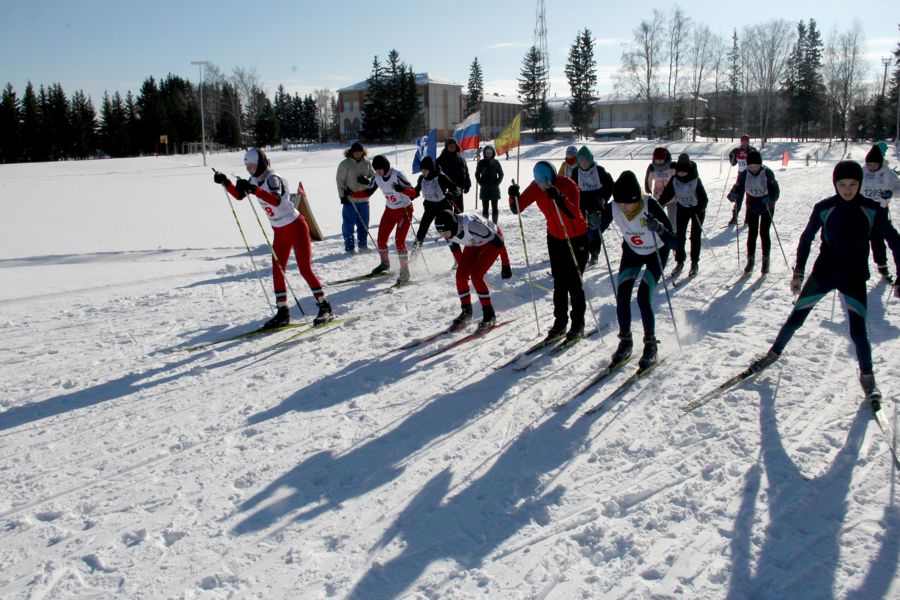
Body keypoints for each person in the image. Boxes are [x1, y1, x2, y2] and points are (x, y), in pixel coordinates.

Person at [745, 161, 900, 407]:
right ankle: (772, 354)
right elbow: (806, 239)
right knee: (796, 318)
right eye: (842, 184)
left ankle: (868, 377)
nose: (847, 190)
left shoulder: (872, 210)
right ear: (834, 184)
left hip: (854, 277)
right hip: (824, 274)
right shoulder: (824, 208)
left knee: (858, 331)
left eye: (853, 185)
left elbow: (894, 241)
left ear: (860, 184)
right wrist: (798, 272)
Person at [213, 148, 333, 329]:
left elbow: (276, 200)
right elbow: (239, 196)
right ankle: (282, 311)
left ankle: (325, 306)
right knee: (278, 270)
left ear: (261, 163)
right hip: (279, 230)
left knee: (304, 268)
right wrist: (226, 182)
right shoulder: (255, 179)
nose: (250, 170)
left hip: (296, 226)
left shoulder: (272, 178)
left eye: (252, 166)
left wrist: (254, 189)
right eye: (247, 167)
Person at [596, 171, 676, 369]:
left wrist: (658, 228)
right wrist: (593, 224)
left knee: (642, 296)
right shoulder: (614, 206)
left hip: (656, 252)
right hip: (632, 252)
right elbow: (593, 236)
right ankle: (625, 341)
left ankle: (650, 345)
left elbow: (675, 242)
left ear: (636, 198)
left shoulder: (650, 205)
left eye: (627, 203)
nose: (623, 208)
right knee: (622, 295)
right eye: (620, 203)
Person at [508, 161, 588, 342]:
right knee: (559, 282)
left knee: (574, 282)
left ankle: (578, 323)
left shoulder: (568, 185)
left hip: (576, 237)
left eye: (545, 184)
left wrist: (559, 197)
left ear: (552, 177)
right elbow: (517, 208)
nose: (543, 188)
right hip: (554, 237)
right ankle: (560, 322)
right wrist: (513, 196)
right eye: (540, 184)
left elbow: (573, 213)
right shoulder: (536, 187)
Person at [434, 209, 512, 331]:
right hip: (474, 243)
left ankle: (489, 315)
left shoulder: (472, 225)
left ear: (453, 227)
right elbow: (456, 251)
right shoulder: (449, 231)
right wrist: (464, 271)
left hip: (492, 242)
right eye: (440, 233)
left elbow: (499, 242)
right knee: (460, 276)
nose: (443, 236)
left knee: (476, 275)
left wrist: (506, 264)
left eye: (445, 232)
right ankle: (466, 312)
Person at [348, 155, 417, 285]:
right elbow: (368, 192)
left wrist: (402, 189)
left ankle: (405, 271)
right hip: (390, 211)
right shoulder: (377, 177)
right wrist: (352, 194)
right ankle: (385, 263)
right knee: (381, 239)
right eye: (376, 170)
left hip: (404, 211)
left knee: (399, 241)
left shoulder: (397, 175)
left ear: (386, 167)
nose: (378, 172)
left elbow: (414, 193)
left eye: (380, 169)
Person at [727, 150, 781, 274]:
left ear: (760, 164)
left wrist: (771, 198)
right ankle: (750, 260)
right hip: (752, 205)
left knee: (764, 232)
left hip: (766, 205)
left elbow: (775, 190)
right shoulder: (745, 174)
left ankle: (765, 259)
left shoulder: (767, 172)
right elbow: (738, 186)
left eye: (756, 166)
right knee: (752, 233)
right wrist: (733, 194)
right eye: (751, 166)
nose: (753, 168)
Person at [659, 153, 709, 278]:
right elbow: (667, 193)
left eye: (683, 172)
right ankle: (680, 261)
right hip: (682, 209)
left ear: (688, 170)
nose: (681, 174)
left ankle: (694, 263)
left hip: (696, 211)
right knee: (680, 236)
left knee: (695, 236)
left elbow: (704, 200)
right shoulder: (675, 179)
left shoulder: (695, 180)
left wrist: (697, 208)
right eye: (679, 171)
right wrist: (659, 204)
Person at [860, 144, 900, 280]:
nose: (871, 167)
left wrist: (891, 193)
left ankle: (882, 266)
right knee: (860, 240)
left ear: (880, 163)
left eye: (874, 164)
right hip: (863, 211)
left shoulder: (888, 173)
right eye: (869, 164)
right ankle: (858, 269)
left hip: (880, 210)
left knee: (878, 239)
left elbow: (898, 189)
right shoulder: (862, 172)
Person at [570, 145, 614, 265]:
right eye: (580, 161)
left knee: (595, 228)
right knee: (582, 230)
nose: (583, 163)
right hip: (581, 205)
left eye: (585, 160)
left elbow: (610, 184)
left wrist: (604, 198)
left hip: (596, 205)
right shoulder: (575, 172)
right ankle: (582, 251)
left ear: (590, 160)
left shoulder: (599, 170)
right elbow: (571, 188)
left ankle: (594, 253)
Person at [412, 156, 461, 251]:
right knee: (422, 230)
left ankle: (457, 256)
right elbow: (416, 191)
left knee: (448, 231)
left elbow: (455, 189)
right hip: (430, 207)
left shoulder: (440, 177)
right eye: (422, 170)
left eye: (425, 171)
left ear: (431, 169)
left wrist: (452, 194)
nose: (423, 173)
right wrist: (409, 195)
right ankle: (414, 255)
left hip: (443, 207)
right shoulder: (421, 178)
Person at [335, 142, 375, 253]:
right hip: (350, 200)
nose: (358, 154)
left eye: (360, 152)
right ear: (351, 152)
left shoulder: (367, 163)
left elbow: (374, 177)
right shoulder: (345, 164)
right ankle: (349, 247)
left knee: (364, 224)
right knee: (348, 225)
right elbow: (339, 181)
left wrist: (367, 180)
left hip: (364, 199)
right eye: (356, 152)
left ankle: (363, 245)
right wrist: (342, 196)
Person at [727, 134, 758, 227]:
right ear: (741, 141)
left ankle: (748, 218)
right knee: (738, 197)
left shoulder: (752, 150)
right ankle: (734, 217)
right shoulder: (737, 150)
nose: (744, 143)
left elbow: (757, 162)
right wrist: (732, 156)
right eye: (743, 141)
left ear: (748, 142)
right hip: (740, 176)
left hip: (750, 176)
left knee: (750, 197)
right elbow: (733, 163)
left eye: (746, 141)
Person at [435, 137, 471, 210]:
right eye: (450, 145)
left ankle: (458, 221)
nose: (452, 147)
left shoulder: (461, 159)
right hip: (446, 191)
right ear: (446, 147)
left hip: (458, 189)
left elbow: (465, 172)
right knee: (448, 213)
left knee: (460, 212)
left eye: (453, 145)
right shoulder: (441, 159)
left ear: (456, 146)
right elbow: (437, 175)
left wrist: (468, 184)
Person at [644, 147, 676, 231]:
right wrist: (648, 190)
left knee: (673, 221)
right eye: (656, 159)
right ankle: (659, 235)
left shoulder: (672, 166)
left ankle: (673, 235)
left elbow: (679, 179)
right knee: (657, 218)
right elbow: (648, 180)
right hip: (658, 198)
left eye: (661, 159)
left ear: (665, 159)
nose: (658, 161)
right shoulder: (652, 168)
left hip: (673, 198)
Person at [475, 145, 504, 223]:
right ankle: (486, 225)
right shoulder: (481, 163)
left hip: (494, 189)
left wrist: (496, 183)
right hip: (484, 189)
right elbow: (477, 174)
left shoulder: (496, 162)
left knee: (495, 208)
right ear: (484, 153)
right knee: (485, 208)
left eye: (490, 153)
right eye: (487, 153)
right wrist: (481, 183)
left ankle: (495, 225)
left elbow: (501, 174)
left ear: (492, 153)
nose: (488, 154)